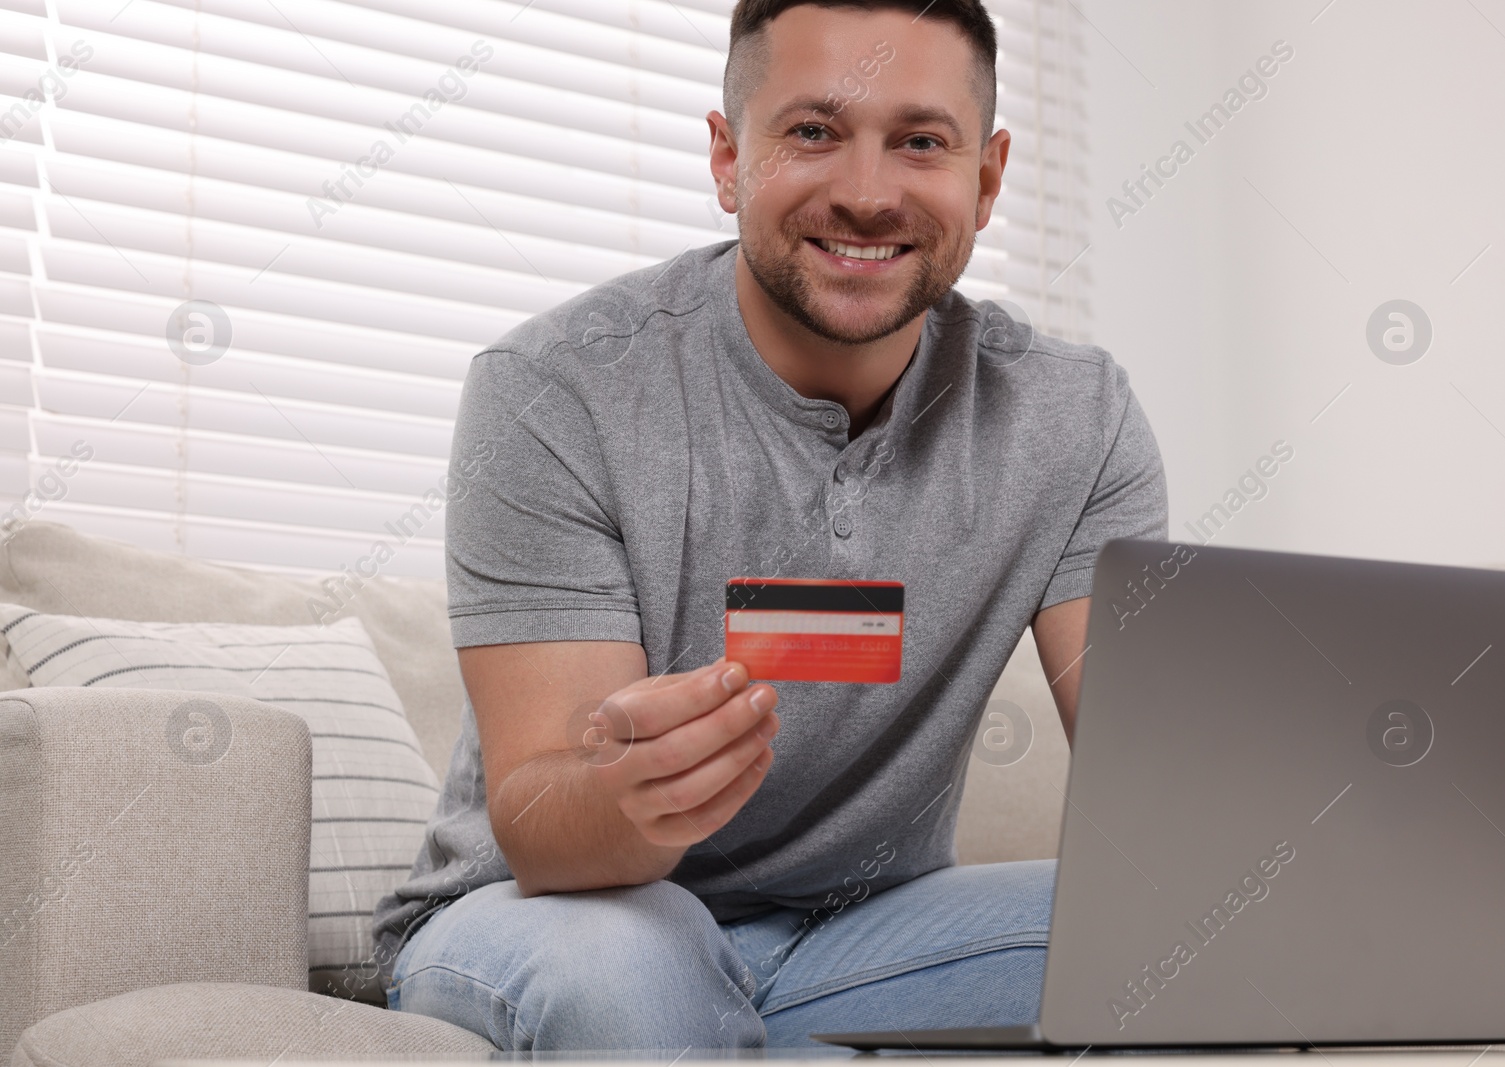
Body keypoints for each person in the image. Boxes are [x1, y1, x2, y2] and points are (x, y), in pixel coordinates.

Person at [372, 0, 1166, 1050]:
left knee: (1207, 933)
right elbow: (542, 831)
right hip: (560, 912)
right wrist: (628, 791)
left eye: (920, 142)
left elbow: (1152, 781)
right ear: (727, 157)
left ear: (984, 178)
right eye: (813, 132)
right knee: (632, 962)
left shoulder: (1075, 416)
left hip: (867, 930)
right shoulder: (555, 388)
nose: (868, 194)